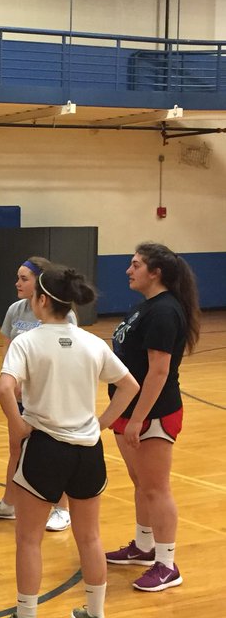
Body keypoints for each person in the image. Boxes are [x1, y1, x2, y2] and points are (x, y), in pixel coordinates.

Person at [0, 265, 138, 618]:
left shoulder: (29, 342)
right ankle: (94, 617)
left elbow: (5, 388)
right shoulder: (91, 342)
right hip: (89, 452)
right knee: (90, 537)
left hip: (46, 449)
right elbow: (129, 385)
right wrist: (101, 424)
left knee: (29, 539)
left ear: (41, 301)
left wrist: (19, 427)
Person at [104, 242, 200, 592]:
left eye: (135, 265)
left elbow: (158, 373)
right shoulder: (146, 308)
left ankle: (167, 563)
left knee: (156, 489)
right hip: (132, 412)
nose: (129, 271)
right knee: (142, 485)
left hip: (153, 415)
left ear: (154, 272)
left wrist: (136, 419)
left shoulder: (164, 312)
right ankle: (144, 547)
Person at [0, 256, 77, 532]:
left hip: (48, 397)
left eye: (24, 278)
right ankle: (9, 503)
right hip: (19, 398)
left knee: (54, 452)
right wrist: (12, 383)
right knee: (16, 448)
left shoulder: (64, 315)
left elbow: (67, 355)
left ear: (40, 284)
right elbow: (9, 352)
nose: (17, 283)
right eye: (18, 277)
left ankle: (61, 509)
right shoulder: (15, 311)